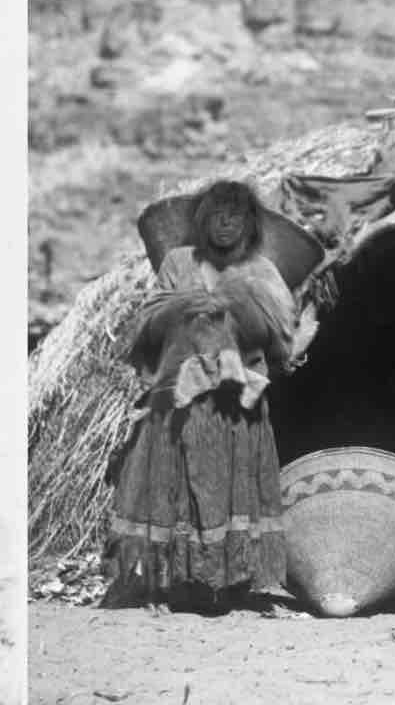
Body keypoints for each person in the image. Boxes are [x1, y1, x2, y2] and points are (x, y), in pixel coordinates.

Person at [104, 180, 299, 614]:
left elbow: (282, 340)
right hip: (180, 399)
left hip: (236, 404)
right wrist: (184, 307)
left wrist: (241, 309)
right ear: (202, 220)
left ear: (249, 224)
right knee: (175, 490)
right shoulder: (178, 263)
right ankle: (172, 586)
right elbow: (148, 322)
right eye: (216, 215)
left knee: (234, 489)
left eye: (236, 215)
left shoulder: (261, 271)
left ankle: (239, 587)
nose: (226, 224)